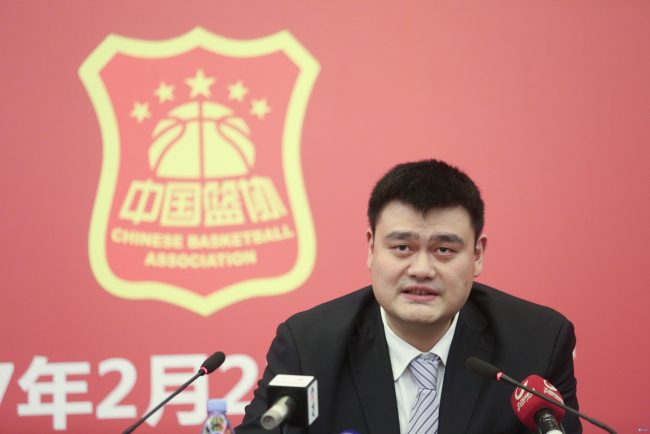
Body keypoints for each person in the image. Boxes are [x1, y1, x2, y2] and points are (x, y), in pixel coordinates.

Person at [237, 159, 581, 433]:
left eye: (444, 249)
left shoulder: (537, 343)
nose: (421, 269)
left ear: (477, 255)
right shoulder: (308, 345)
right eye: (402, 247)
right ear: (371, 248)